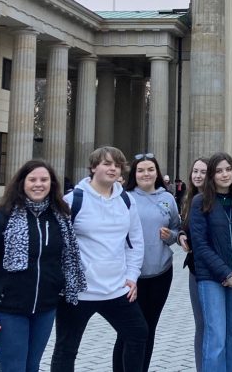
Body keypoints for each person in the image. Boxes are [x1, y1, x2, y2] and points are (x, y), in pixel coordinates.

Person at [0, 160, 86, 372]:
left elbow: (64, 260)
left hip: (45, 309)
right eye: (32, 179)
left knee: (32, 367)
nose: (38, 184)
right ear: (22, 183)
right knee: (14, 368)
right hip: (8, 310)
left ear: (52, 184)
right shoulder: (1, 218)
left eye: (44, 180)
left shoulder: (59, 218)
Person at [51, 146, 147, 372]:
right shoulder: (73, 200)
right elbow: (56, 244)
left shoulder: (126, 200)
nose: (113, 168)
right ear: (93, 167)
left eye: (117, 165)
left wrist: (132, 276)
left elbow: (135, 242)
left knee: (138, 334)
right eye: (106, 163)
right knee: (66, 349)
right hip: (78, 292)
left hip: (116, 288)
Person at [189, 152, 232, 372]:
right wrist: (225, 274)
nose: (224, 174)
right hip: (211, 278)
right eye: (219, 170)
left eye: (228, 169)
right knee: (216, 335)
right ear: (211, 175)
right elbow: (200, 245)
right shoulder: (200, 202)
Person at [118, 153, 180, 371]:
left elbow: (177, 228)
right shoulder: (124, 198)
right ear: (134, 174)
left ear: (157, 173)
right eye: (141, 170)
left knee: (148, 328)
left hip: (160, 274)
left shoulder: (168, 199)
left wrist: (171, 236)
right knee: (128, 330)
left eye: (150, 169)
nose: (146, 174)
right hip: (130, 277)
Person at [176, 157, 208, 371]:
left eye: (203, 172)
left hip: (215, 272)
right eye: (195, 171)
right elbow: (183, 227)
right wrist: (180, 235)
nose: (197, 175)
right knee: (201, 327)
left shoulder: (213, 200)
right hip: (196, 270)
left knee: (212, 326)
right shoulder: (189, 199)